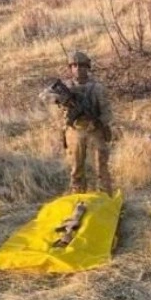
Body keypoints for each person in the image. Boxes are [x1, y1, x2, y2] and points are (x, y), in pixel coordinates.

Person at [51, 51, 114, 195]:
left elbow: (107, 112)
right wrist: (61, 100)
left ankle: (106, 199)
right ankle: (78, 197)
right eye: (74, 66)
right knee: (76, 169)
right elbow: (45, 96)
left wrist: (98, 123)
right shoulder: (66, 87)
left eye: (81, 65)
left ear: (88, 67)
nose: (78, 68)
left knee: (101, 168)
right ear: (70, 68)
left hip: (95, 131)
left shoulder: (97, 88)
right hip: (74, 131)